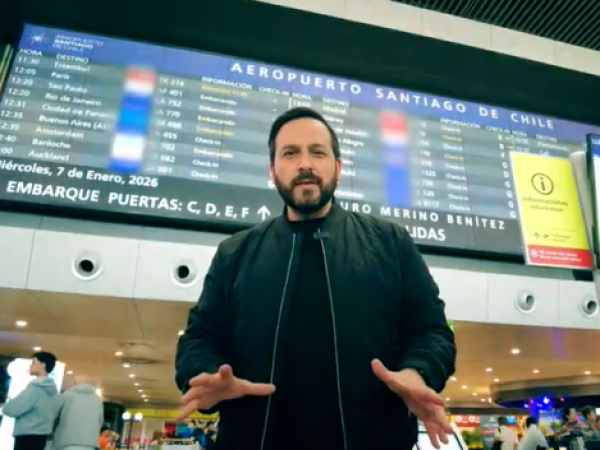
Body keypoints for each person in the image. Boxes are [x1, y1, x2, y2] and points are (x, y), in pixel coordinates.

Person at [175, 107, 456, 450]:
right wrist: (207, 372)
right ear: (272, 171)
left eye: (318, 152)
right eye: (290, 153)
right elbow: (200, 336)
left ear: (338, 167)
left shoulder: (390, 243)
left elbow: (432, 331)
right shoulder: (234, 253)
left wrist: (416, 373)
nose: (304, 164)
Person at [2, 352, 59, 450]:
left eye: (34, 362)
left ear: (43, 365)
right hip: (42, 436)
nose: (30, 365)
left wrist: (7, 405)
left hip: (27, 436)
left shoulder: (36, 388)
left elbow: (12, 409)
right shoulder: (53, 391)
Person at [51, 382, 104, 450]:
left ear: (74, 385)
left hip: (66, 442)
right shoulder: (98, 400)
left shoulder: (66, 396)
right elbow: (100, 421)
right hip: (90, 444)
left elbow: (54, 416)